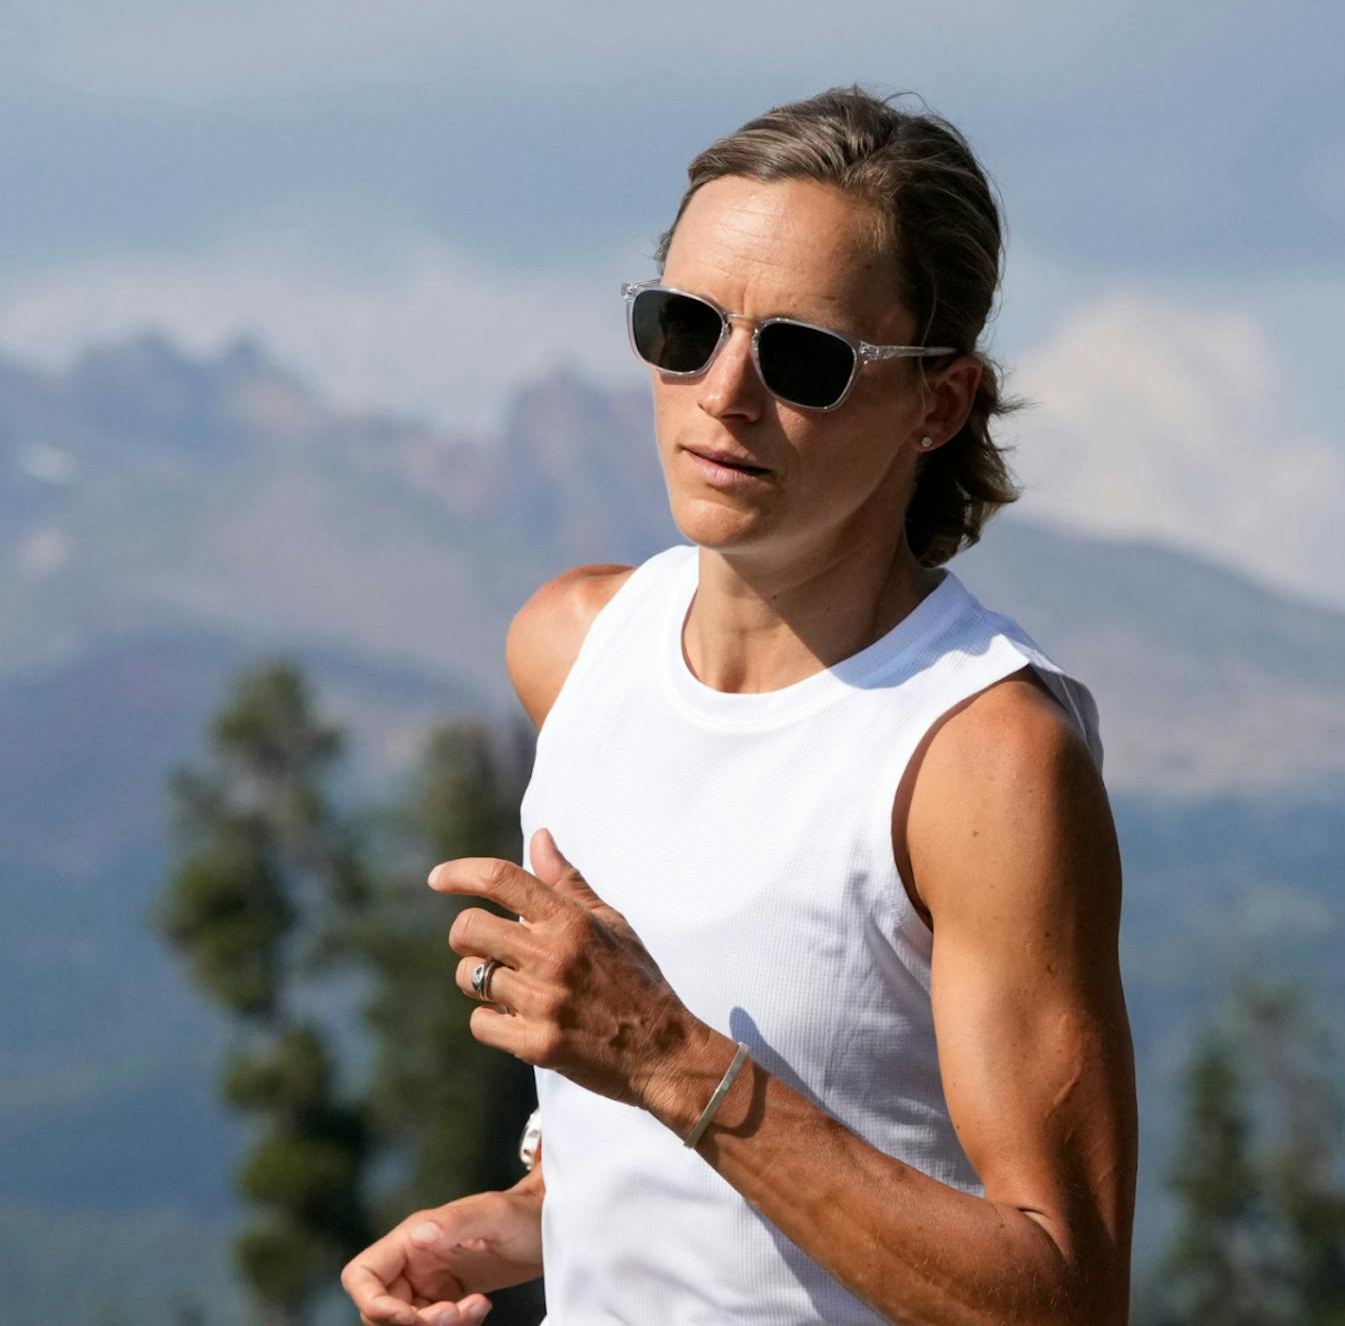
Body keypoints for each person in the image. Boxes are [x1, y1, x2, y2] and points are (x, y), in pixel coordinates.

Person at [340, 86, 1138, 1324]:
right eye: (684, 325)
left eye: (804, 358)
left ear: (939, 404)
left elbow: (1059, 1296)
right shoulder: (572, 647)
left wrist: (666, 1055)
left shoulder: (981, 756)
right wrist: (503, 1226)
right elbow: (682, 1181)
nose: (722, 392)